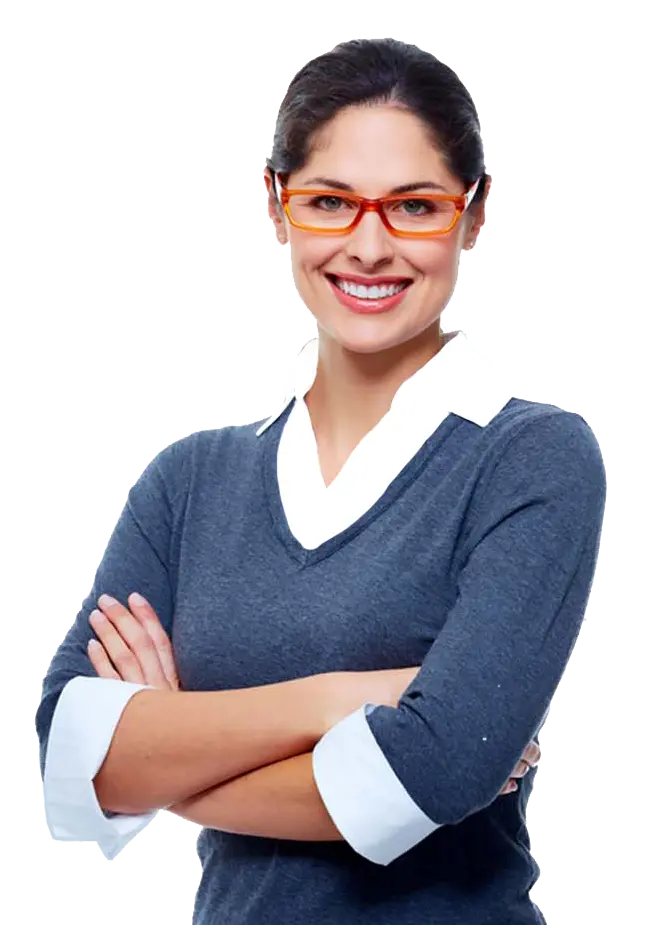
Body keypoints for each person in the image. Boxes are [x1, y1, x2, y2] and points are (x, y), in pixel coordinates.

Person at [35, 39, 606, 925]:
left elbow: (428, 773)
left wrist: (162, 758)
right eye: (330, 202)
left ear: (474, 214)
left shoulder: (530, 458)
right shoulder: (190, 481)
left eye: (413, 206)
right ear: (278, 208)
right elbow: (65, 747)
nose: (369, 247)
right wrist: (350, 698)